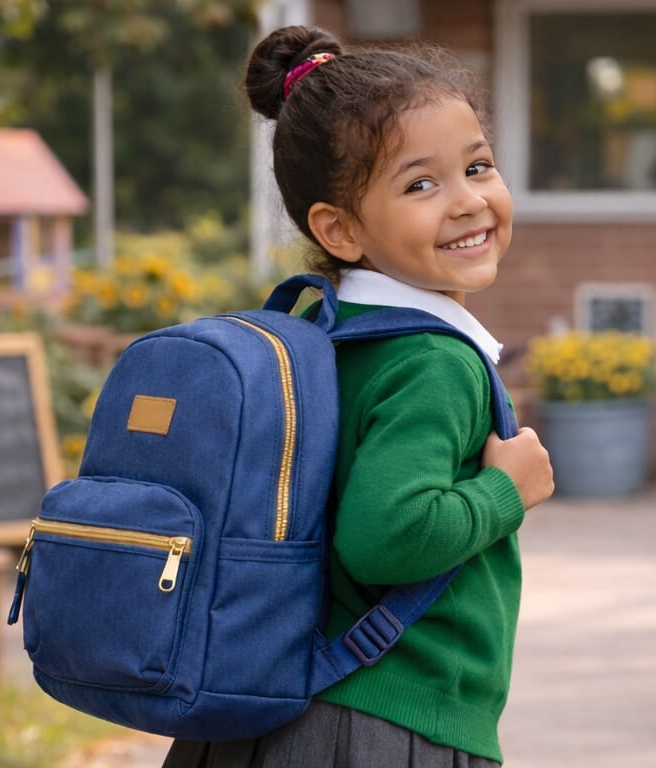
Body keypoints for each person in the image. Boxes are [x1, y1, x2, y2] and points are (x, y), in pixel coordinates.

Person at [163, 24, 554, 768]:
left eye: (478, 165)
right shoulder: (432, 360)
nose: (470, 201)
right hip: (383, 721)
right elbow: (386, 537)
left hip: (265, 708)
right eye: (421, 184)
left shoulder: (312, 331)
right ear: (339, 229)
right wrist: (507, 489)